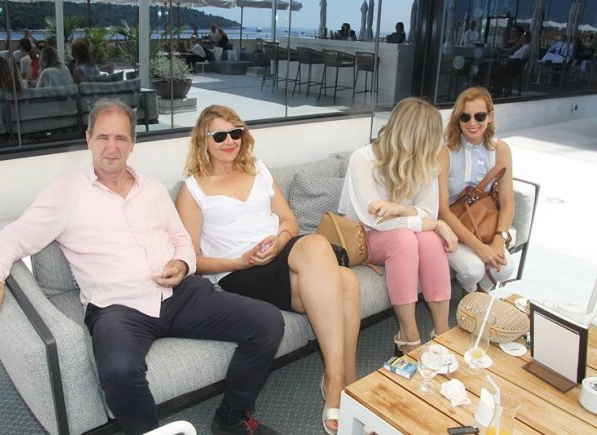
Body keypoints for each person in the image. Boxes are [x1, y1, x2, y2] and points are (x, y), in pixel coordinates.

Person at [0, 98, 284, 435]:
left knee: (267, 322)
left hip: (179, 294)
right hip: (117, 309)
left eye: (120, 138)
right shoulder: (65, 194)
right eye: (103, 137)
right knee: (118, 370)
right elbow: (15, 236)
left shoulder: (153, 189)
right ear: (88, 139)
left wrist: (181, 262)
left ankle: (232, 417)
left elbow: (181, 239)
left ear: (132, 143)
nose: (112, 147)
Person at [175, 105, 361, 435]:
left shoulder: (258, 169)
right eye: (220, 136)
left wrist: (279, 241)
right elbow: (193, 261)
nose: (230, 141)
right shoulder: (192, 190)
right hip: (238, 271)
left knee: (338, 270)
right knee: (336, 269)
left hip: (279, 252)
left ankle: (344, 378)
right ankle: (338, 381)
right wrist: (240, 261)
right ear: (203, 140)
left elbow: (288, 220)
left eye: (236, 132)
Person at [339, 97, 457, 356]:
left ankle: (442, 331)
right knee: (404, 238)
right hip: (362, 237)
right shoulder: (362, 158)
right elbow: (376, 219)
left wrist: (403, 209)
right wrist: (436, 224)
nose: (436, 146)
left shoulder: (425, 161)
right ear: (415, 137)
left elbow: (428, 210)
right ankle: (408, 335)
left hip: (400, 232)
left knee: (429, 240)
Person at [439, 86, 516, 293]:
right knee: (473, 270)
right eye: (465, 117)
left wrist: (499, 240)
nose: (472, 123)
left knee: (506, 268)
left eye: (479, 116)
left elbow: (508, 201)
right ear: (458, 119)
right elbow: (442, 210)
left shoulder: (500, 150)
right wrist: (479, 247)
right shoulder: (445, 153)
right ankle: (471, 295)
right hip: (453, 226)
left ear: (490, 117)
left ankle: (478, 295)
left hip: (484, 225)